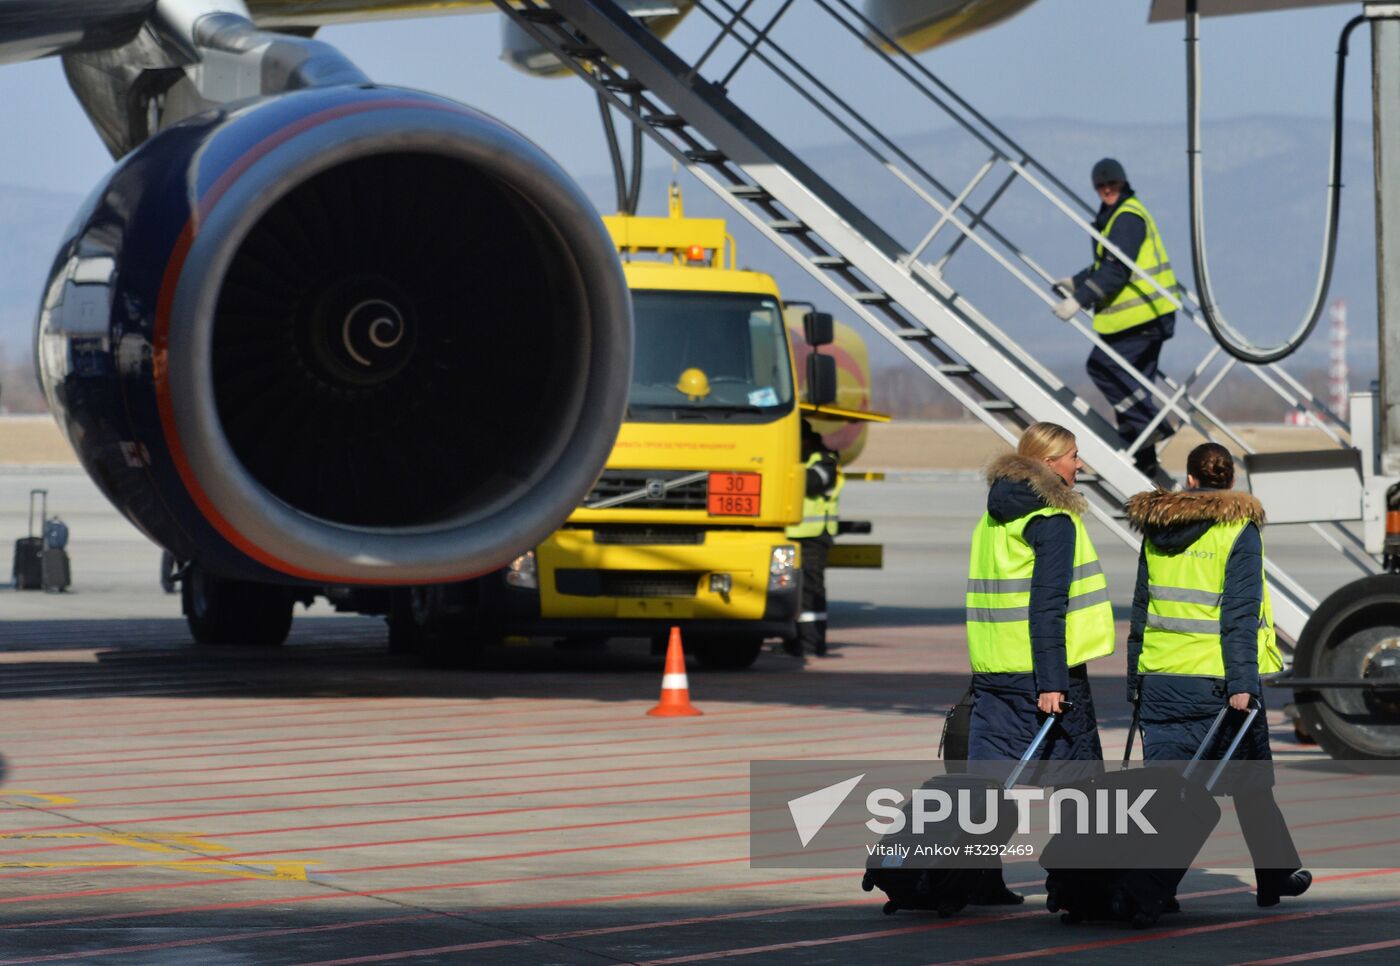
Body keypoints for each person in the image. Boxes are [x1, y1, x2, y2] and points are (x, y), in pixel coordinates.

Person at [1125, 442, 1311, 908]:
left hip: (1162, 678)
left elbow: (1141, 609)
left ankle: (1152, 886)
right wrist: (1244, 684)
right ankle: (1161, 886)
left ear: (1190, 480)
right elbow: (1239, 616)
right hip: (1217, 683)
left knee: (1165, 792)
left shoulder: (1157, 528)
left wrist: (1135, 680)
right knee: (1251, 784)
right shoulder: (1238, 531)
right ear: (1229, 481)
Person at [964, 422, 1115, 902]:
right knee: (1081, 785)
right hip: (1046, 673)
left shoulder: (994, 517)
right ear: (1049, 465)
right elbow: (1046, 606)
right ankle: (1076, 886)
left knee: (988, 785)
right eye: (1073, 455)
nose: (1080, 464)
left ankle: (974, 879)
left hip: (994, 669)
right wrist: (1053, 683)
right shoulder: (1051, 520)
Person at [1052, 158, 1178, 480]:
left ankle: (1155, 424)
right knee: (1132, 385)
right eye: (1101, 185)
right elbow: (1106, 263)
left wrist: (1079, 300)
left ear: (1123, 183)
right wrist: (1078, 281)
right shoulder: (1114, 216)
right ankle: (1146, 463)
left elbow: (1116, 270)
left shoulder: (1126, 217)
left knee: (1103, 367)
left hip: (1142, 317)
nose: (1107, 189)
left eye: (1113, 184)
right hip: (1145, 317)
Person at [785, 420, 843, 657]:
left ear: (805, 440)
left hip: (813, 537)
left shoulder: (824, 461)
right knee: (790, 592)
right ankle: (792, 641)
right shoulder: (799, 460)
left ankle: (812, 644)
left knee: (811, 592)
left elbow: (811, 482)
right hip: (790, 536)